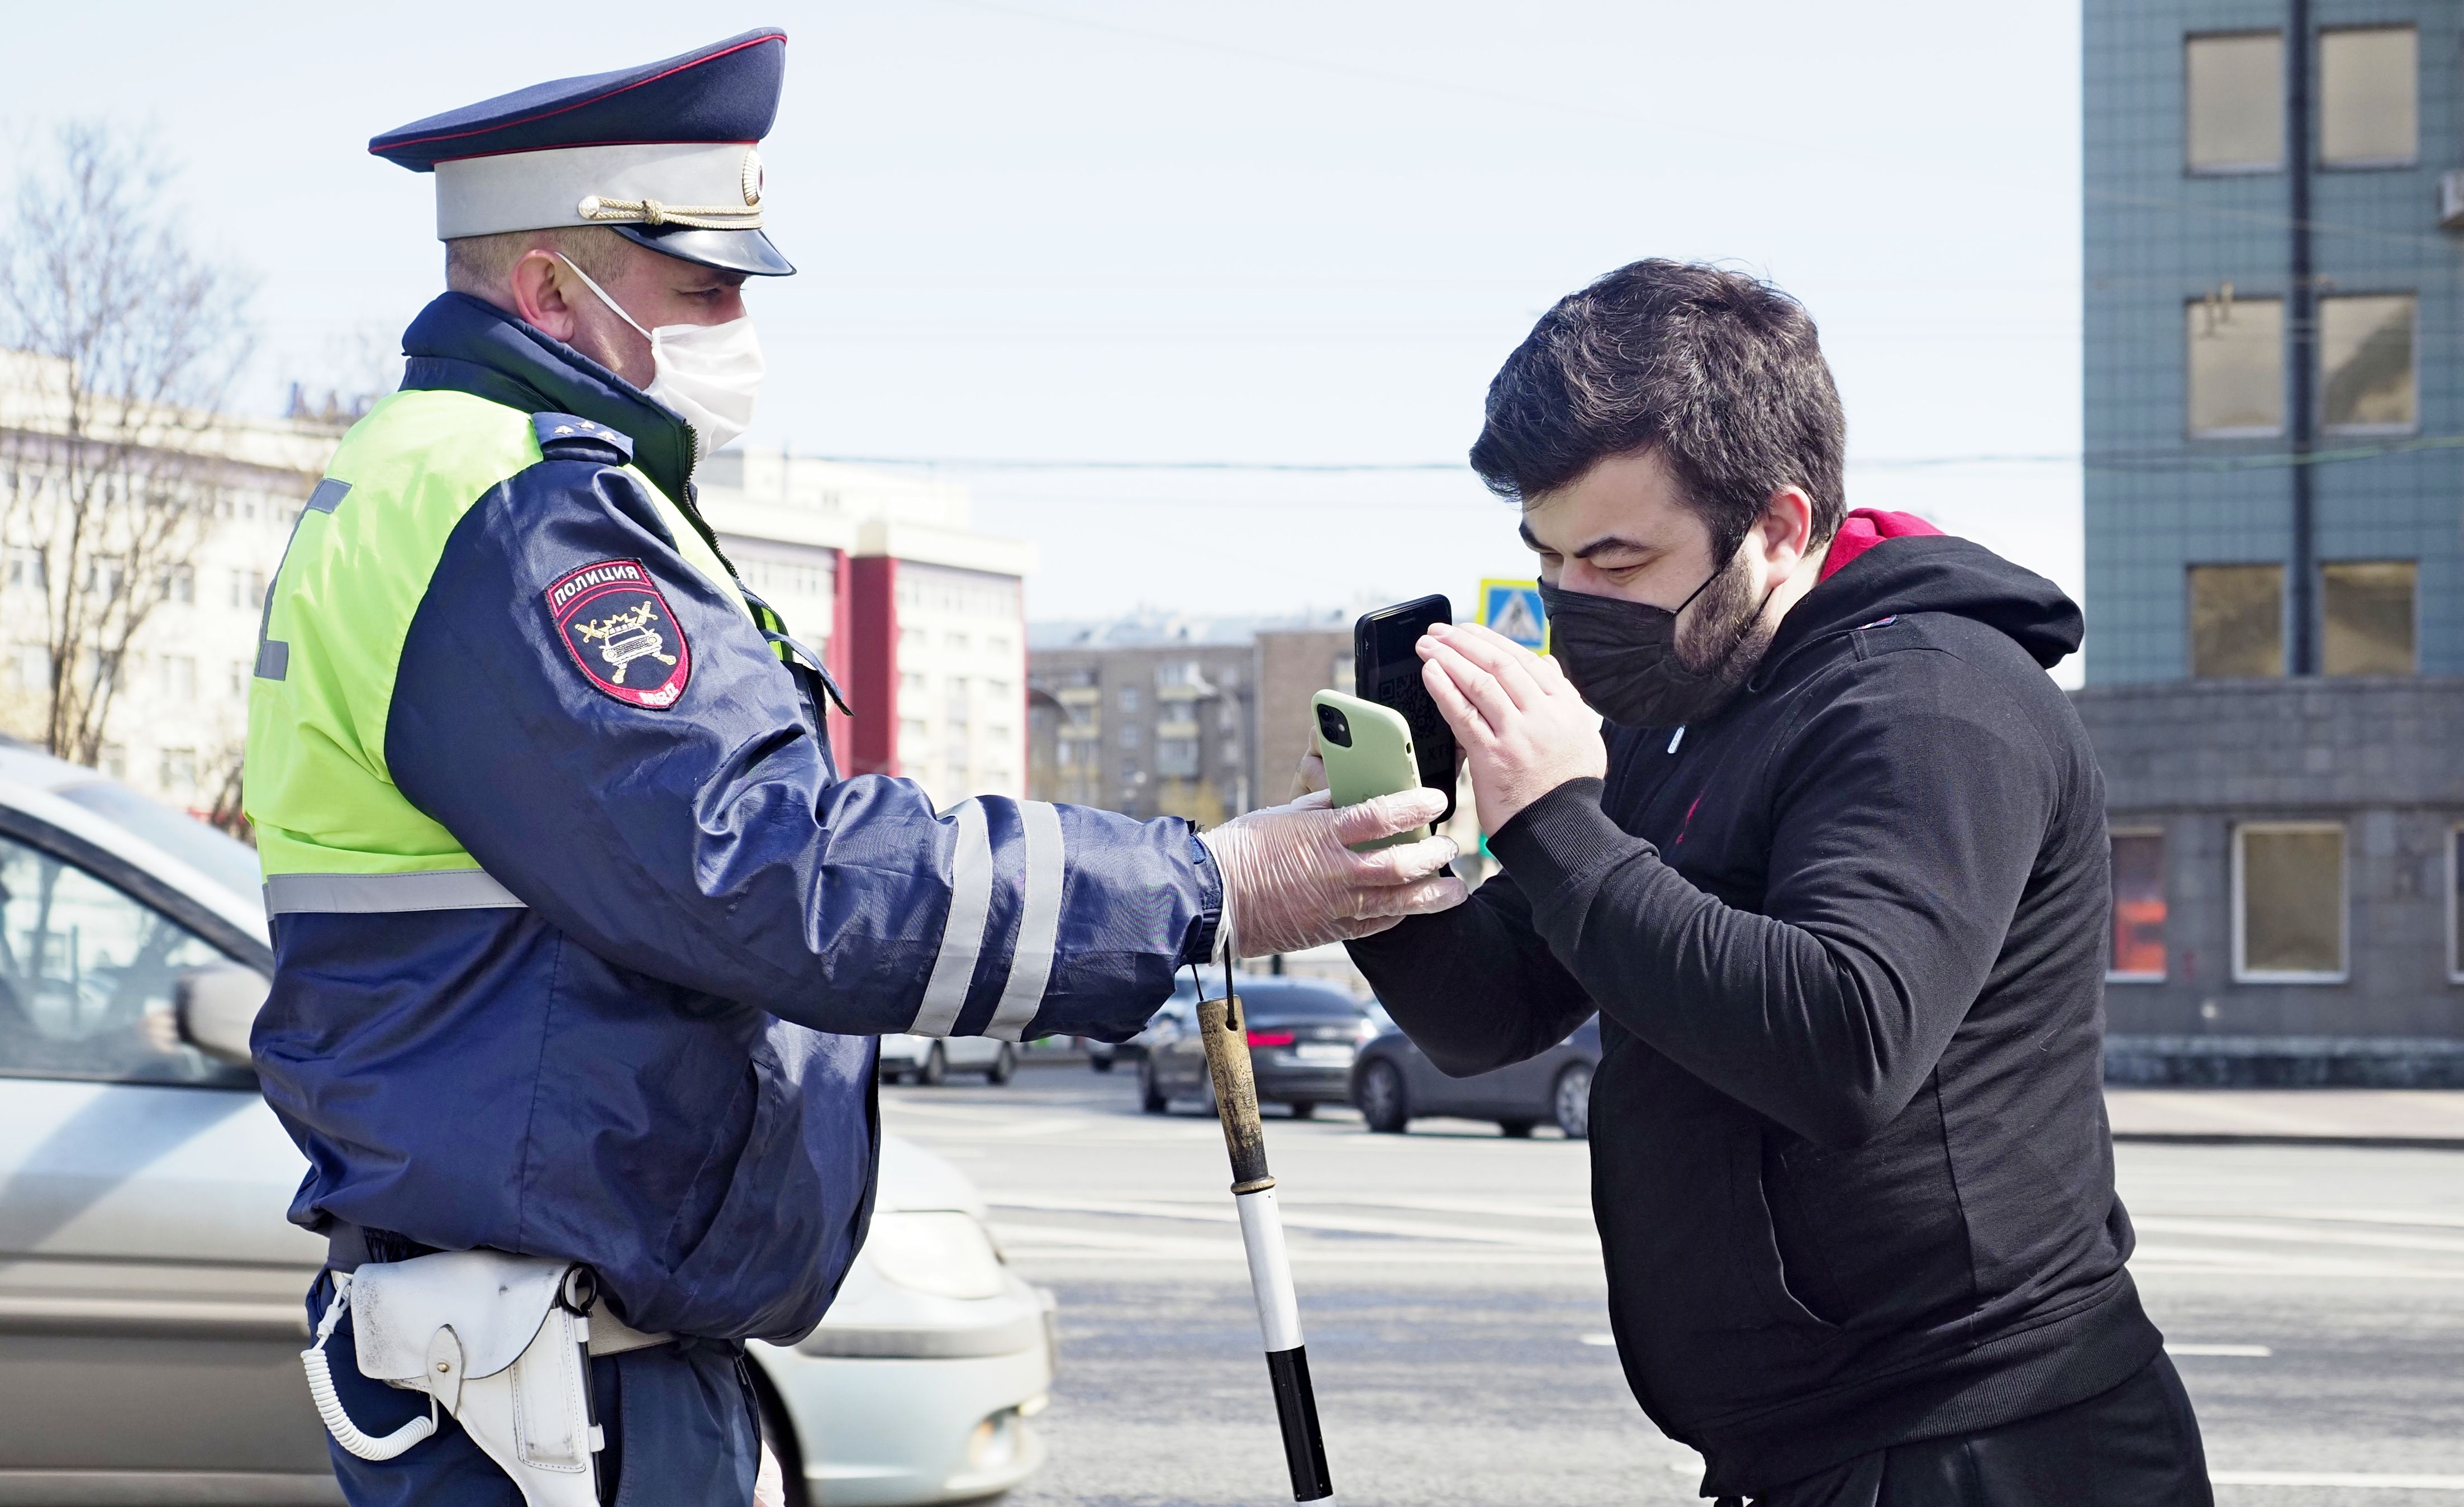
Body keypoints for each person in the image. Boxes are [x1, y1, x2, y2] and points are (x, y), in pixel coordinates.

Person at [244, 30, 1462, 1505]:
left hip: (554, 1345)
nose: (736, 322)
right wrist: (1207, 885)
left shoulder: (455, 475)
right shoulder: (520, 508)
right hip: (549, 1380)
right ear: (550, 285)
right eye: (701, 285)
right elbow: (775, 874)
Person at [1338, 261, 2211, 1507]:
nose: (1572, 602)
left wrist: (1555, 820)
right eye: (1549, 555)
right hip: (1806, 1451)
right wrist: (1392, 853)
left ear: (1780, 527)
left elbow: (1846, 1040)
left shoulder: (1934, 699)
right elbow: (1493, 1012)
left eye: (1620, 557)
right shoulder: (1668, 708)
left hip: (1991, 1447)